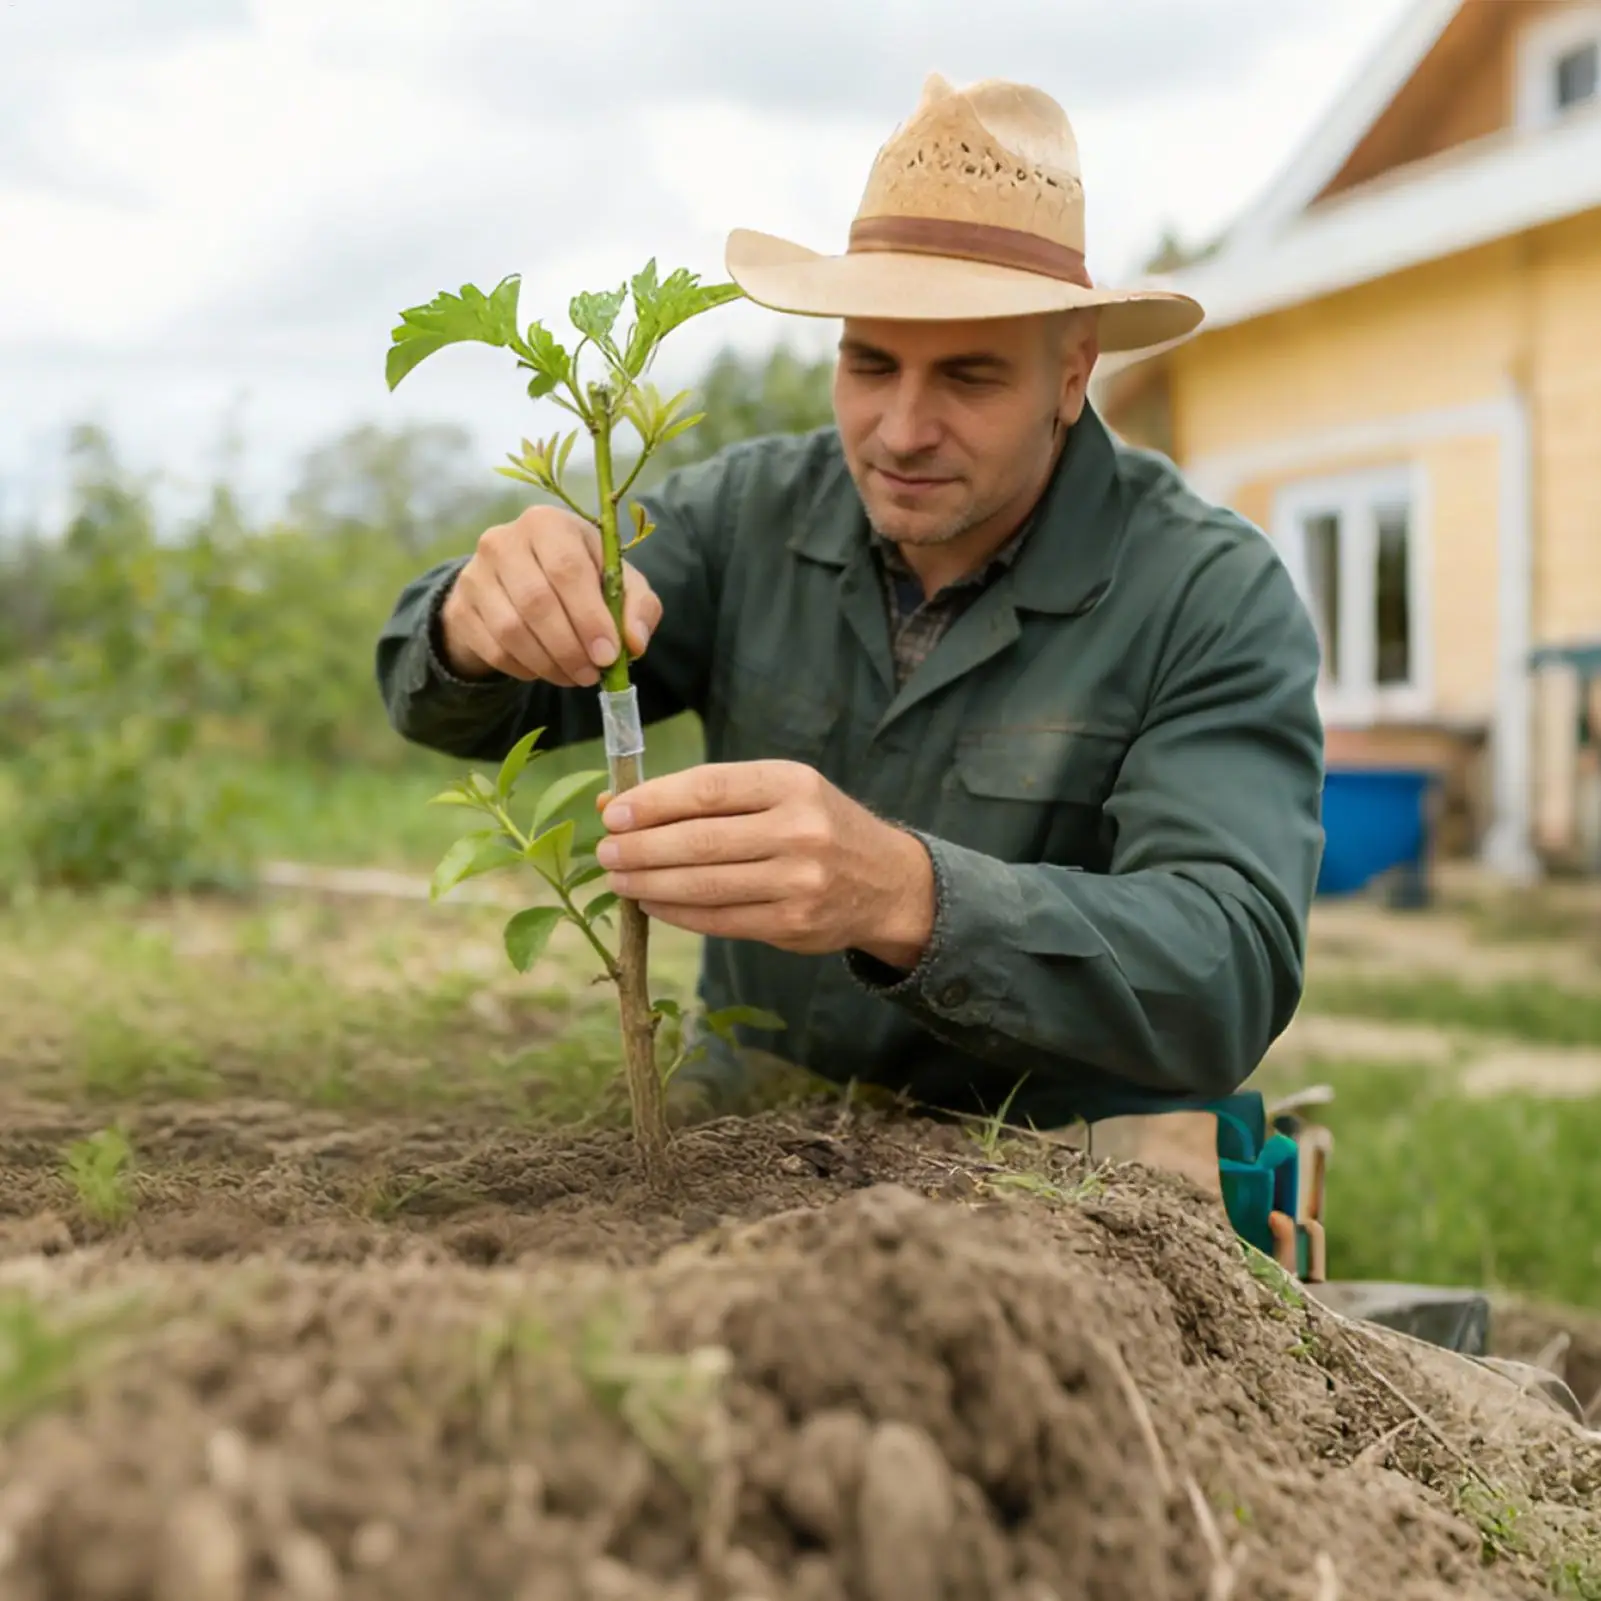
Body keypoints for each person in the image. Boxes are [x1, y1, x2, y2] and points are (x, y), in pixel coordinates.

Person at [375, 73, 1326, 1133]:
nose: (901, 430)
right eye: (869, 364)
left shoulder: (1206, 592)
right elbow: (450, 703)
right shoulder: (747, 512)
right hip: (751, 1126)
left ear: (1071, 376)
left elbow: (1227, 967)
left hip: (1052, 1160)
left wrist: (904, 895)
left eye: (968, 378)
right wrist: (475, 622)